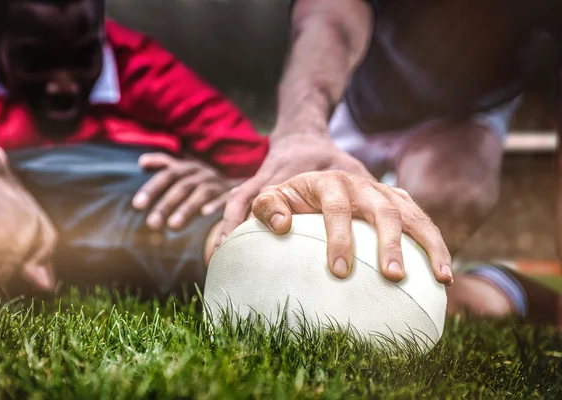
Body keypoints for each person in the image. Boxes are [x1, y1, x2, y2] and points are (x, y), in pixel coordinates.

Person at [220, 0, 562, 325]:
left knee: (438, 219)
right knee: (288, 204)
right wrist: (301, 133)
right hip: (359, 96)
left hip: (463, 115)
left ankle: (499, 286)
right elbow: (329, 16)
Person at [0, 0, 267, 295]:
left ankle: (240, 253)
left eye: (84, 59)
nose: (63, 86)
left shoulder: (141, 65)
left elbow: (253, 159)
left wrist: (229, 185)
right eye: (35, 62)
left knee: (159, 187)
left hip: (133, 192)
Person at [0, 127, 223, 298]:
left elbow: (229, 244)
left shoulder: (131, 201)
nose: (45, 285)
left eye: (34, 243)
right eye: (0, 284)